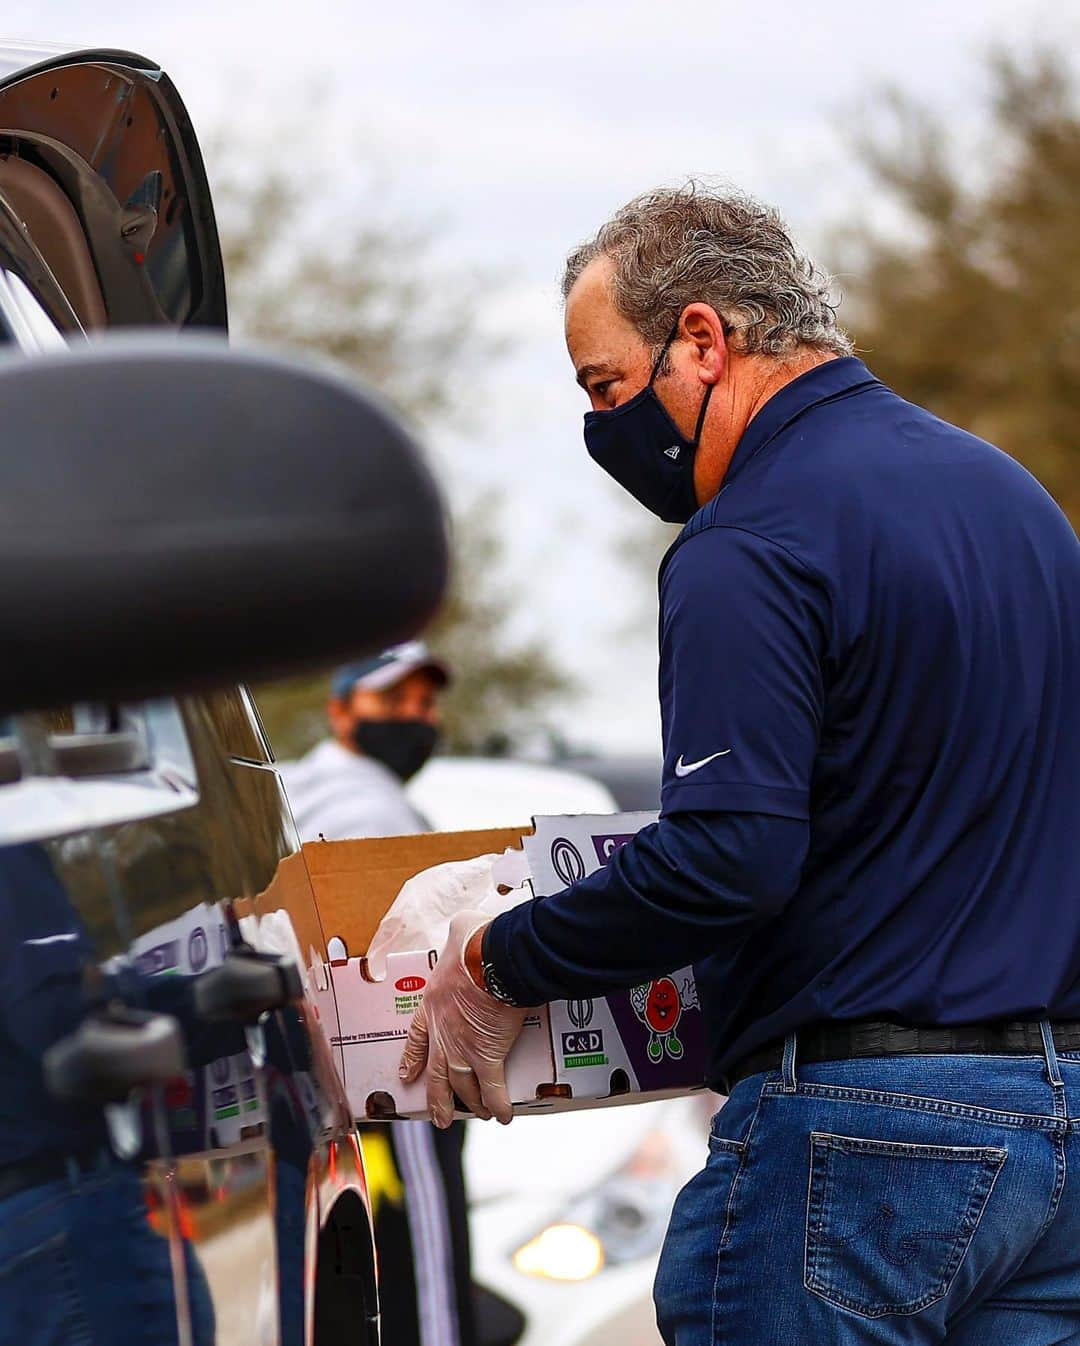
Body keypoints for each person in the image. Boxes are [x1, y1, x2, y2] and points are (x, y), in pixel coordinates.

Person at [401, 184, 1080, 1345]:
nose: (605, 428)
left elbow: (730, 859)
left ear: (704, 338)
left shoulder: (750, 538)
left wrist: (497, 957)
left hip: (862, 1144)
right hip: (1057, 1130)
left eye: (607, 386)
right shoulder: (1017, 504)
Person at [281, 645, 483, 1346]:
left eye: (423, 704)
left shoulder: (302, 794)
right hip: (399, 1070)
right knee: (425, 1279)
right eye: (391, 700)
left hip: (325, 1081)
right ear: (341, 710)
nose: (414, 718)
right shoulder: (367, 801)